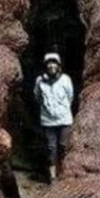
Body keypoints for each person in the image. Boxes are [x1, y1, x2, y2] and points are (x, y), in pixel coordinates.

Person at [33, 52, 74, 182]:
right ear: (46, 66)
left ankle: (63, 173)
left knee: (63, 146)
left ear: (58, 65)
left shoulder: (65, 79)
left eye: (54, 63)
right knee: (51, 148)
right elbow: (37, 96)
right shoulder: (40, 81)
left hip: (64, 120)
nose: (51, 66)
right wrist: (47, 108)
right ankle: (53, 177)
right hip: (48, 121)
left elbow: (70, 96)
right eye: (49, 63)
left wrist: (62, 109)